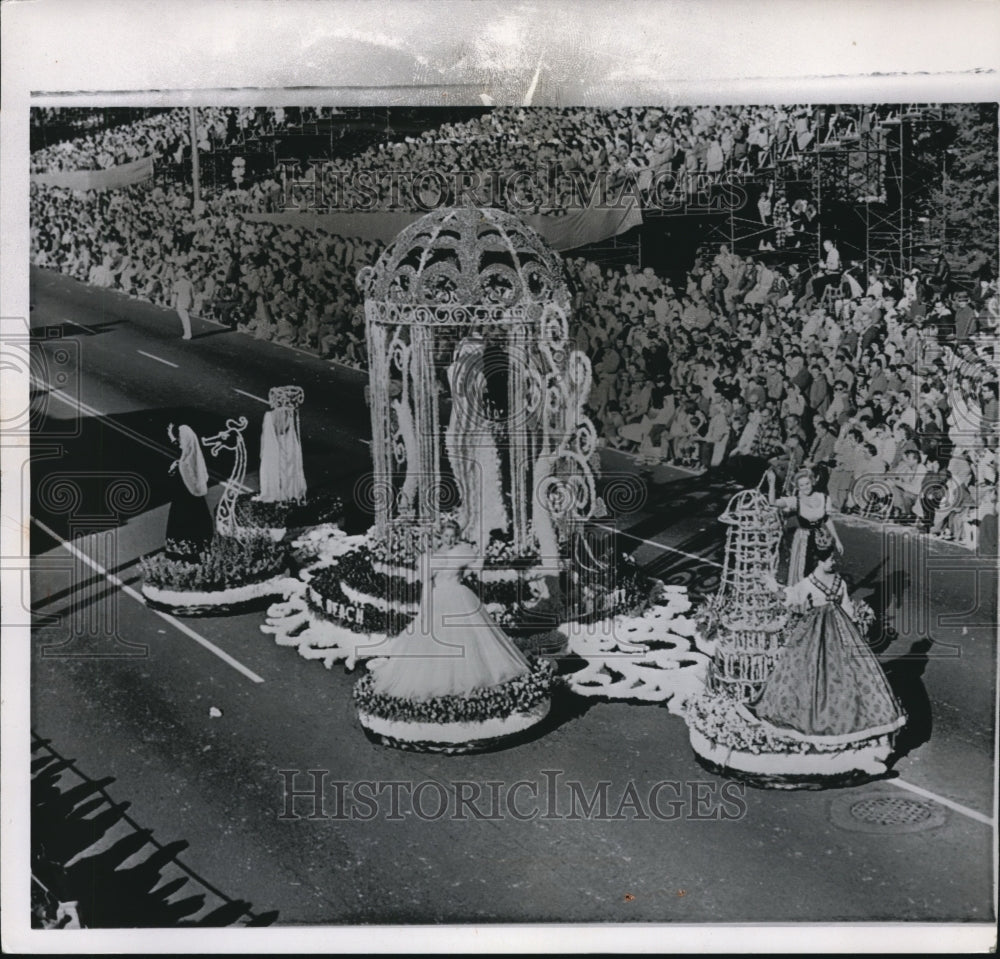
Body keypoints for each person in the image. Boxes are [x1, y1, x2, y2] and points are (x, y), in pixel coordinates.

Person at [748, 544, 906, 745]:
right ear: (820, 561)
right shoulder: (808, 583)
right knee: (811, 669)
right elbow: (791, 598)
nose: (834, 562)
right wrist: (774, 588)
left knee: (847, 671)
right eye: (830, 559)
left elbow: (846, 605)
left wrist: (855, 629)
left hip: (841, 628)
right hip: (815, 631)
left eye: (834, 559)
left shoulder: (839, 581)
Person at [364, 520, 532, 699]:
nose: (449, 540)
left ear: (457, 537)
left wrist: (484, 544)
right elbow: (427, 587)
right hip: (439, 600)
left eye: (453, 537)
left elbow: (475, 569)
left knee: (468, 640)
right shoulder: (431, 558)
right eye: (446, 536)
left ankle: (467, 678)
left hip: (461, 598)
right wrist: (424, 611)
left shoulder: (462, 553)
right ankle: (442, 682)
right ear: (440, 537)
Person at [767, 466, 843, 585]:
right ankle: (801, 594)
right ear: (797, 487)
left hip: (821, 538)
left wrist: (837, 540)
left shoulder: (823, 498)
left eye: (807, 483)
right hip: (803, 537)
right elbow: (773, 502)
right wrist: (772, 483)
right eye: (801, 485)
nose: (805, 487)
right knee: (802, 566)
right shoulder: (795, 500)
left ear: (812, 482)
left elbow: (827, 519)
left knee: (822, 567)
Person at [164, 423, 213, 559]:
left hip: (183, 505)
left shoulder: (182, 466)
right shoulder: (193, 460)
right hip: (197, 503)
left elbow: (175, 483)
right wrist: (173, 438)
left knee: (183, 528)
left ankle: (184, 555)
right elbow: (185, 450)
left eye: (179, 440)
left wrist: (172, 470)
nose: (179, 443)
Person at [172, 262, 194, 340]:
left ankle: (188, 333)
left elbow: (175, 294)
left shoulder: (177, 283)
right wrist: (192, 304)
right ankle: (187, 333)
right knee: (185, 317)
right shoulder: (189, 283)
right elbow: (192, 294)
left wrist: (173, 303)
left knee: (184, 317)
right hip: (188, 300)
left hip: (181, 301)